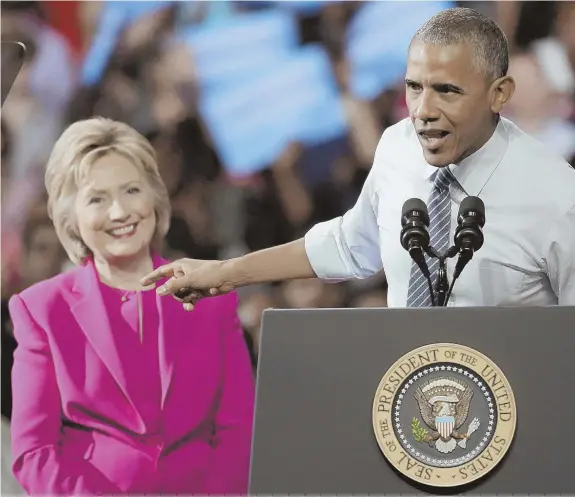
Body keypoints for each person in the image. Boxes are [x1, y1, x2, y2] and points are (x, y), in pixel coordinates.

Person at [142, 7, 575, 308]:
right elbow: (348, 245)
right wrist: (225, 273)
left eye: (447, 90)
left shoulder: (556, 192)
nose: (422, 110)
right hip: (406, 410)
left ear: (499, 94)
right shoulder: (398, 147)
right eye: (414, 87)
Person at [8, 117, 255, 495]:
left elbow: (239, 429)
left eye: (132, 190)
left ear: (155, 197)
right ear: (70, 217)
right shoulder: (40, 309)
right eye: (97, 199)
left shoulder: (212, 297)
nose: (120, 212)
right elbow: (35, 452)